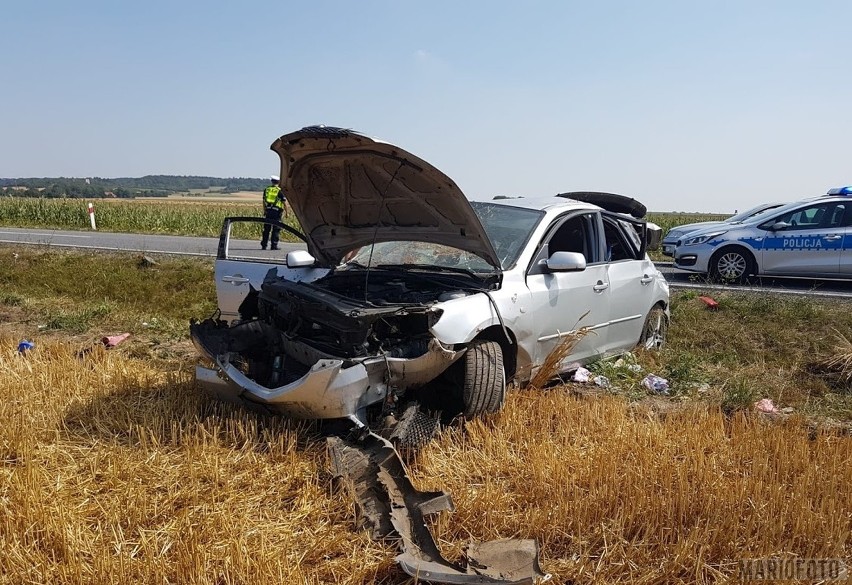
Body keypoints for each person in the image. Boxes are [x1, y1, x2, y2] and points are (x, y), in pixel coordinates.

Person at [261, 175, 286, 250]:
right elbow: (284, 202)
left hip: (268, 211)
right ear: (278, 182)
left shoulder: (267, 189)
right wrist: (287, 212)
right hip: (277, 212)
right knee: (276, 229)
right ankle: (274, 245)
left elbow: (264, 201)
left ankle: (264, 245)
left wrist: (265, 210)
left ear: (272, 181)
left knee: (266, 229)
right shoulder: (279, 190)